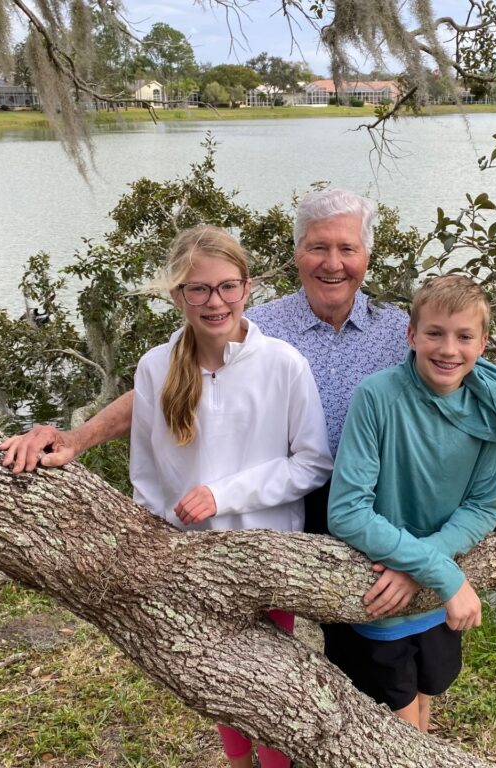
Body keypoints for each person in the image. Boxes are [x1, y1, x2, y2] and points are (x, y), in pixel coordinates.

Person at [0, 190, 496, 591]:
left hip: (375, 506)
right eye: (317, 248)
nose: (333, 263)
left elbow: (455, 418)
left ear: (366, 258)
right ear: (296, 254)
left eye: (347, 249)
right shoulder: (257, 326)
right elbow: (164, 388)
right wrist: (79, 436)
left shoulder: (400, 330)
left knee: (383, 650)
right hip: (281, 504)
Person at [125, 225, 333, 768]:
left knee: (269, 691)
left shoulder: (284, 364)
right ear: (176, 295)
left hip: (267, 559)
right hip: (194, 561)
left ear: (248, 289)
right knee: (222, 686)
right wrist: (162, 536)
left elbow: (312, 462)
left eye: (227, 286)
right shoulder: (154, 368)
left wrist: (224, 494)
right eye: (198, 289)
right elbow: (146, 472)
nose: (214, 301)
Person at [326, 275, 496, 732]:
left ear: (483, 343)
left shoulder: (494, 409)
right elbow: (347, 511)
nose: (448, 349)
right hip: (383, 589)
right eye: (434, 333)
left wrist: (425, 569)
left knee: (427, 689)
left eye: (464, 336)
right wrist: (444, 574)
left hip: (433, 589)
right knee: (399, 716)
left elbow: (481, 504)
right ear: (411, 335)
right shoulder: (377, 396)